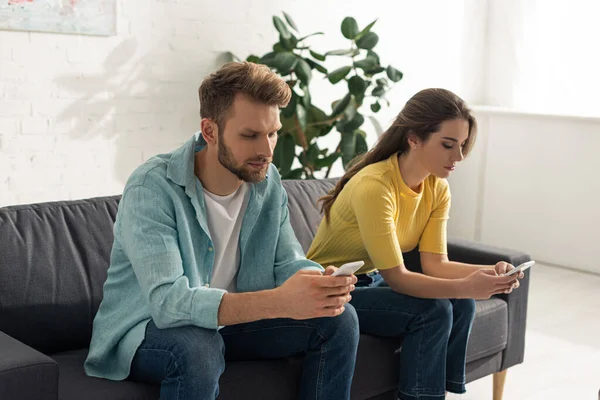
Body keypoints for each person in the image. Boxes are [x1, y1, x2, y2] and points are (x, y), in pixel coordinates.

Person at [84, 62, 359, 400]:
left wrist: (318, 282)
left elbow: (287, 261)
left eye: (272, 133)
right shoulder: (151, 188)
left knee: (338, 319)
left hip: (233, 325)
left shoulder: (266, 181)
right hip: (148, 329)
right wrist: (278, 301)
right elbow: (169, 303)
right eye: (250, 135)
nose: (267, 150)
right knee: (197, 346)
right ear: (210, 131)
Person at [306, 88, 525, 400]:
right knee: (434, 311)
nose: (459, 157)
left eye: (462, 146)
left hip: (373, 281)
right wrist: (468, 286)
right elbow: (397, 277)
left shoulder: (437, 188)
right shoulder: (375, 186)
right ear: (414, 139)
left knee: (460, 303)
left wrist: (492, 271)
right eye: (448, 145)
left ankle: (434, 390)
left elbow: (436, 264)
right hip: (334, 287)